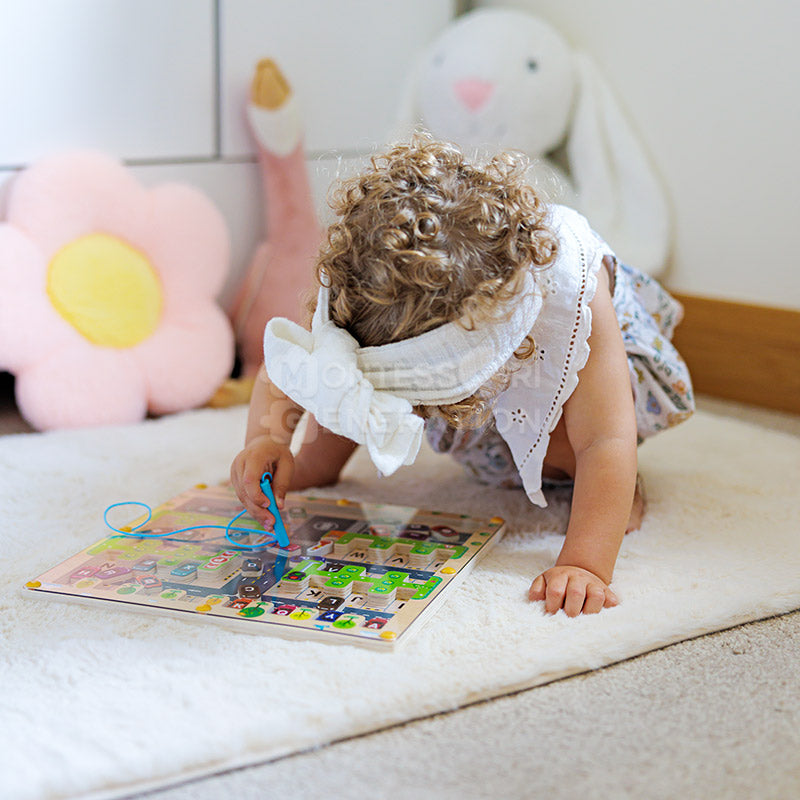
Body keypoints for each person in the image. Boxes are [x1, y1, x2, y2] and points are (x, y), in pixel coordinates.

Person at [230, 133, 694, 617]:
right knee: (344, 383)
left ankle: (617, 494)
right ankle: (316, 464)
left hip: (574, 390)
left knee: (573, 446)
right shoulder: (364, 281)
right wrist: (268, 442)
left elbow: (605, 439)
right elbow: (296, 365)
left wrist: (586, 563)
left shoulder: (570, 291)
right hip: (479, 401)